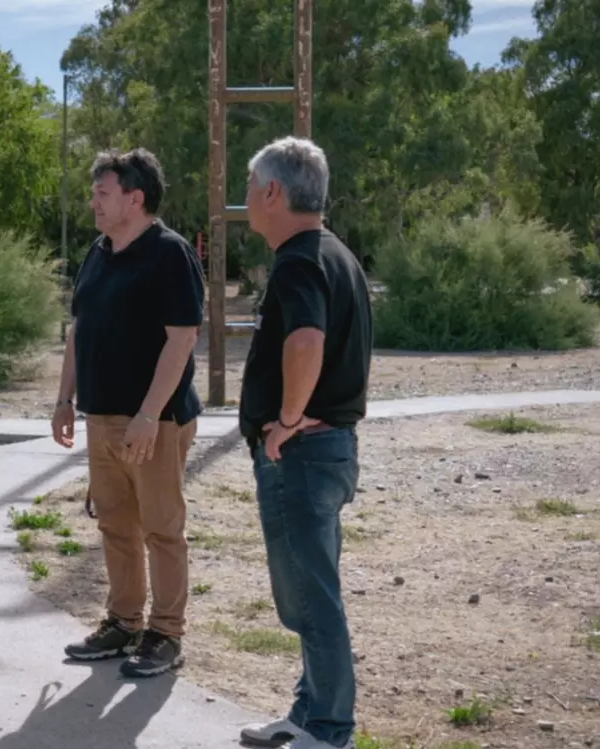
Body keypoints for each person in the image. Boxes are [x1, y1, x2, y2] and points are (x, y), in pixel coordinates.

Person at [235, 136, 372, 749]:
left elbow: (307, 341)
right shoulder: (335, 254)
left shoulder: (297, 260)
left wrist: (287, 420)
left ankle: (328, 729)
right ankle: (307, 713)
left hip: (303, 455)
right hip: (326, 451)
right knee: (311, 596)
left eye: (249, 186)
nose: (244, 198)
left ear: (272, 192)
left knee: (311, 602)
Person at [51, 147, 206, 678]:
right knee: (116, 524)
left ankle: (166, 633)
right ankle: (123, 622)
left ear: (135, 199)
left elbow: (182, 339)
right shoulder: (98, 251)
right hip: (101, 417)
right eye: (93, 192)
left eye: (103, 193)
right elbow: (80, 330)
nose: (93, 201)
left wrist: (148, 415)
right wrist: (65, 400)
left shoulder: (170, 254)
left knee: (161, 528)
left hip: (154, 420)